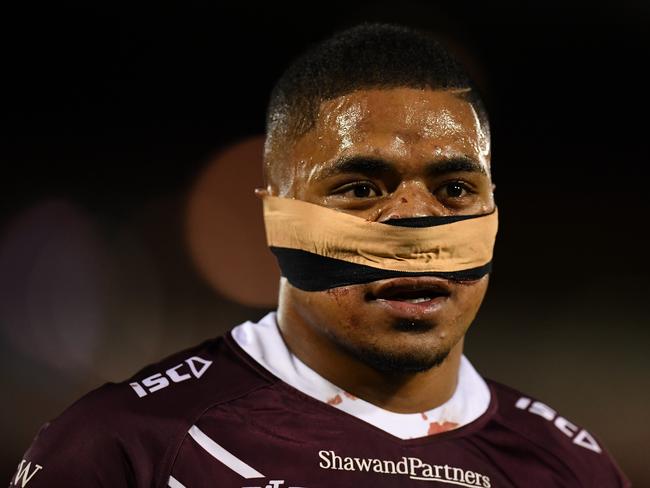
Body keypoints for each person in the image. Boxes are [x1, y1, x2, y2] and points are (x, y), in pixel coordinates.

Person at [11, 23, 629, 488]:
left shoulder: (573, 470)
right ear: (272, 214)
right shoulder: (126, 451)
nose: (416, 223)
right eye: (361, 189)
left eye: (455, 190)